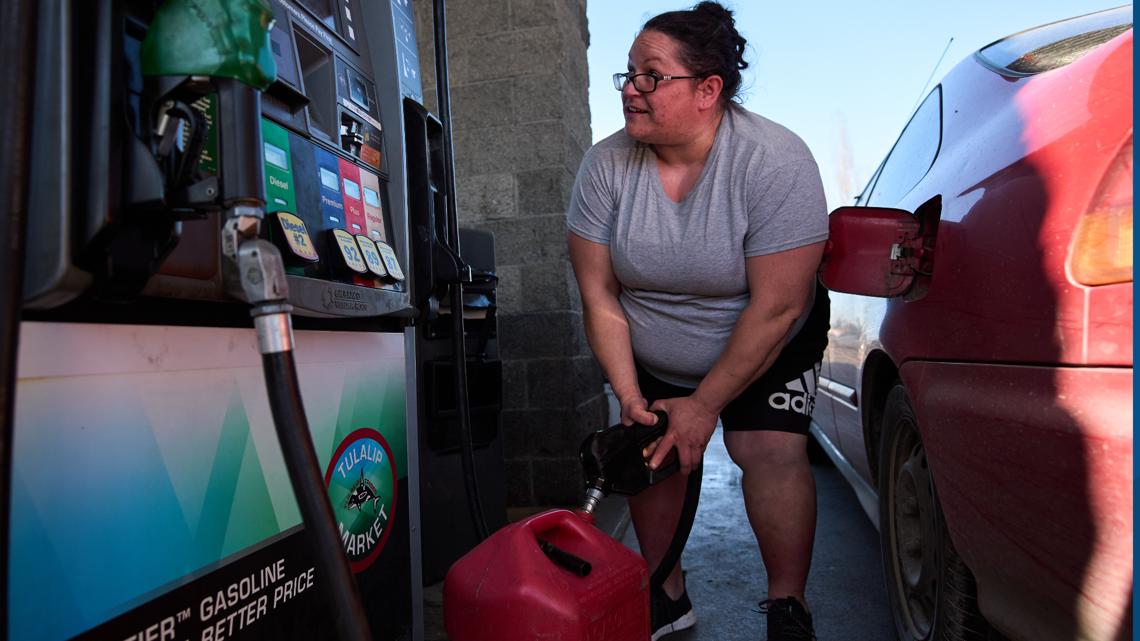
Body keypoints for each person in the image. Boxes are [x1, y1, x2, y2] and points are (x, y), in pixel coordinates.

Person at [566, 2, 830, 640]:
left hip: (767, 342)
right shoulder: (605, 167)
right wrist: (632, 397)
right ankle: (667, 592)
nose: (631, 89)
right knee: (653, 445)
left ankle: (787, 604)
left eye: (650, 76)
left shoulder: (774, 160)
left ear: (709, 89)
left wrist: (707, 404)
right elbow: (599, 295)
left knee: (764, 447)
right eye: (627, 74)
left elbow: (778, 305)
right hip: (655, 345)